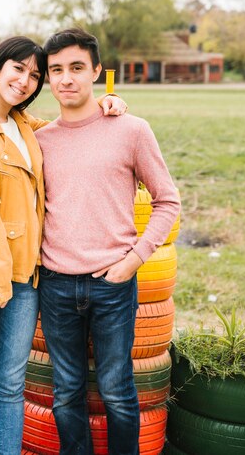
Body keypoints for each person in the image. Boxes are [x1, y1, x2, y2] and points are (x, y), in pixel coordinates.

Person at [0, 36, 127, 455]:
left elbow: (74, 129)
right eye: (18, 69)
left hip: (25, 280)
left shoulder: (24, 126)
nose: (25, 81)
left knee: (9, 386)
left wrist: (110, 104)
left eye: (34, 75)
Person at [36, 27, 181, 455]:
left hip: (113, 284)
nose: (66, 79)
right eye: (56, 70)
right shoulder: (39, 139)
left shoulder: (131, 129)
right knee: (66, 393)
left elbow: (168, 200)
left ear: (97, 71)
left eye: (77, 67)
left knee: (117, 391)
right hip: (56, 284)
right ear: (47, 77)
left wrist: (134, 259)